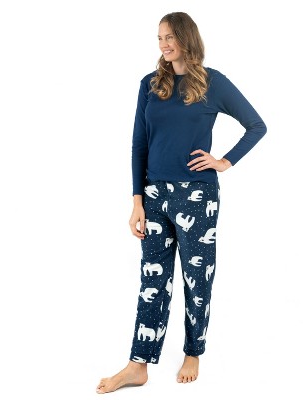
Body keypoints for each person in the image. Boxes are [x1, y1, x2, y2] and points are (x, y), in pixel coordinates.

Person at [96, 11, 267, 394]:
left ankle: (193, 352)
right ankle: (138, 364)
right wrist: (137, 200)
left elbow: (257, 126)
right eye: (159, 38)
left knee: (196, 278)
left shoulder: (212, 82)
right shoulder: (149, 84)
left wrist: (224, 161)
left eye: (170, 36)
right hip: (154, 195)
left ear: (186, 38)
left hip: (196, 196)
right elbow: (139, 144)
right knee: (152, 280)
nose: (163, 44)